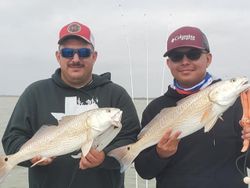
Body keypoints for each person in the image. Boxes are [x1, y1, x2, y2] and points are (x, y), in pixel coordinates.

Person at [2, 21, 140, 188]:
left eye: (83, 52)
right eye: (68, 52)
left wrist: (105, 158)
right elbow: (11, 139)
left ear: (94, 56)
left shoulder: (116, 95)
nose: (75, 59)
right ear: (58, 56)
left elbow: (132, 139)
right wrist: (31, 157)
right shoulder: (35, 93)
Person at [134, 26, 250, 188]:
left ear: (208, 59)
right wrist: (160, 155)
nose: (185, 61)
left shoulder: (241, 102)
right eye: (176, 56)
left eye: (193, 55)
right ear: (169, 63)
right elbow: (144, 171)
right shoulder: (155, 109)